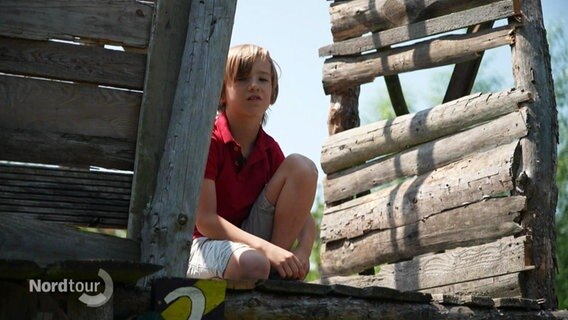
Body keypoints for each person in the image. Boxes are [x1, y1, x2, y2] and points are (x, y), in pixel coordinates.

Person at [187, 44, 318, 281]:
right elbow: (205, 220)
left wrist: (303, 252)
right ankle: (269, 268)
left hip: (251, 244)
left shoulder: (268, 149)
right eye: (242, 79)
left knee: (303, 167)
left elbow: (305, 220)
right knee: (253, 263)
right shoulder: (209, 140)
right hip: (201, 244)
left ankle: (278, 273)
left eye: (263, 79)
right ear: (221, 92)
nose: (254, 85)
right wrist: (268, 250)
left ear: (273, 92)